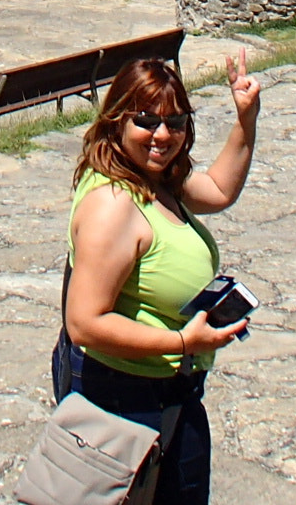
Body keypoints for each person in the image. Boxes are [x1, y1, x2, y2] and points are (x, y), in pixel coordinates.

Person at [63, 54, 262, 505]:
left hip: (169, 397)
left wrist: (245, 121)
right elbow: (84, 323)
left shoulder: (155, 178)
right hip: (126, 403)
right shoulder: (113, 203)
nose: (162, 134)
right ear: (117, 122)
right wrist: (183, 343)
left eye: (175, 121)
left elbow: (218, 189)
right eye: (146, 120)